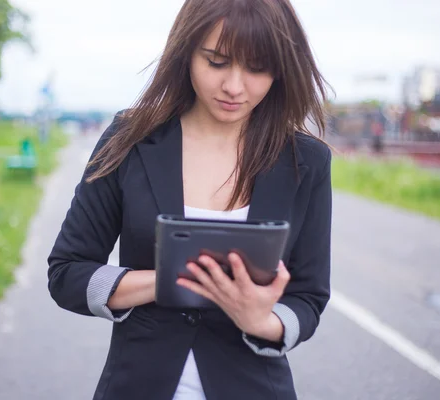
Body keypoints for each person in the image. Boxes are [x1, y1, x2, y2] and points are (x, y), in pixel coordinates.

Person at [47, 0, 332, 399]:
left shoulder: (307, 161)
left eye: (257, 67)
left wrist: (263, 322)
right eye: (216, 62)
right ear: (186, 51)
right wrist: (168, 282)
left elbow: (309, 296)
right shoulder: (131, 139)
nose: (234, 86)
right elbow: (67, 273)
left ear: (283, 68)